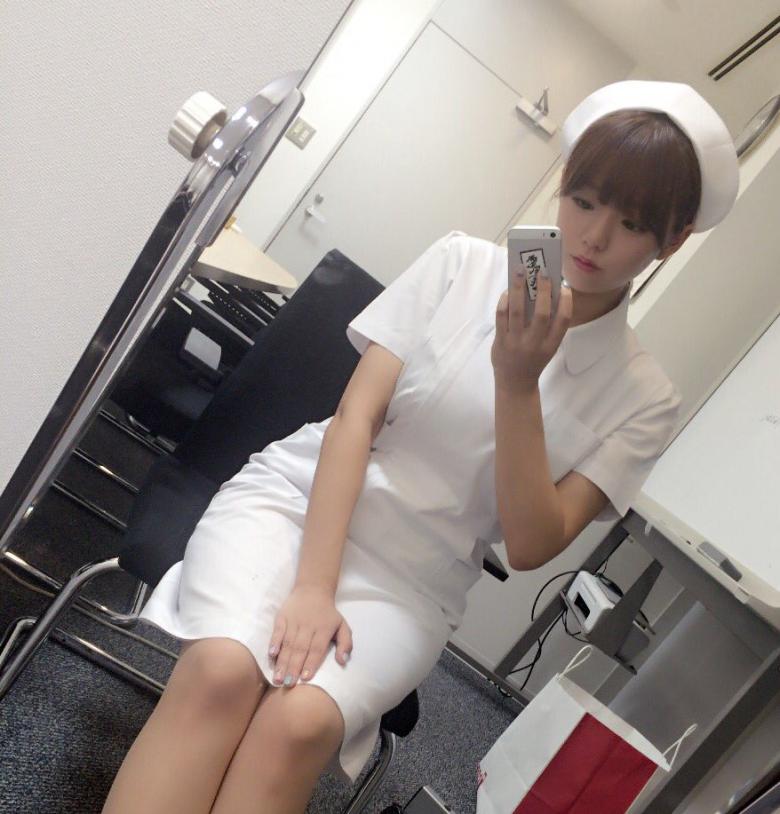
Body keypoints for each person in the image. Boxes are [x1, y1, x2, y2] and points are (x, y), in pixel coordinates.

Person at [101, 80, 739, 813]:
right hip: (299, 504)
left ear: (672, 241)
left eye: (631, 223)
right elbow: (355, 420)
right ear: (563, 185)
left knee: (297, 724)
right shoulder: (461, 264)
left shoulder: (645, 395)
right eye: (585, 201)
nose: (594, 237)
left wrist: (518, 382)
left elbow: (532, 545)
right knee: (220, 673)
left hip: (413, 582)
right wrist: (313, 587)